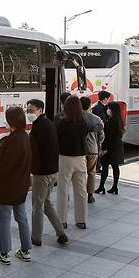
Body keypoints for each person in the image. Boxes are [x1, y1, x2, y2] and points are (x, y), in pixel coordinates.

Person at [0, 106, 33, 264]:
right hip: (22, 183)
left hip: (9, 185)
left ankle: (4, 253)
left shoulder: (13, 139)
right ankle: (25, 249)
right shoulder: (24, 136)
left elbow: (5, 165)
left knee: (5, 219)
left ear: (11, 121)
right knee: (21, 217)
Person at [26, 99, 68, 246]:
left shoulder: (40, 127)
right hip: (52, 170)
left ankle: (36, 237)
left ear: (40, 109)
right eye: (28, 110)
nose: (29, 113)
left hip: (42, 172)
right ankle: (61, 233)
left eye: (31, 110)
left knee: (37, 205)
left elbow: (34, 148)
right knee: (47, 203)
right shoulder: (48, 123)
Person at [56, 95, 90, 229]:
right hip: (81, 158)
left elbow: (56, 138)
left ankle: (62, 219)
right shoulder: (84, 122)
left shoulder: (62, 122)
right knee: (81, 190)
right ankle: (81, 220)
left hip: (65, 158)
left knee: (63, 189)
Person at [96, 101, 125, 195]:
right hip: (117, 146)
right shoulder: (119, 120)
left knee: (105, 167)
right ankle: (114, 187)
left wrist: (103, 149)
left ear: (112, 110)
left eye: (109, 108)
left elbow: (108, 137)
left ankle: (101, 187)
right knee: (115, 167)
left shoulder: (111, 122)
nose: (107, 110)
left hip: (110, 147)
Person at [80, 96, 105, 203]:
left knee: (79, 174)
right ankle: (90, 195)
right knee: (91, 173)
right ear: (90, 105)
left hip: (79, 151)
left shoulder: (76, 117)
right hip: (92, 150)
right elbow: (101, 136)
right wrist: (98, 144)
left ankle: (79, 194)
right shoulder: (97, 119)